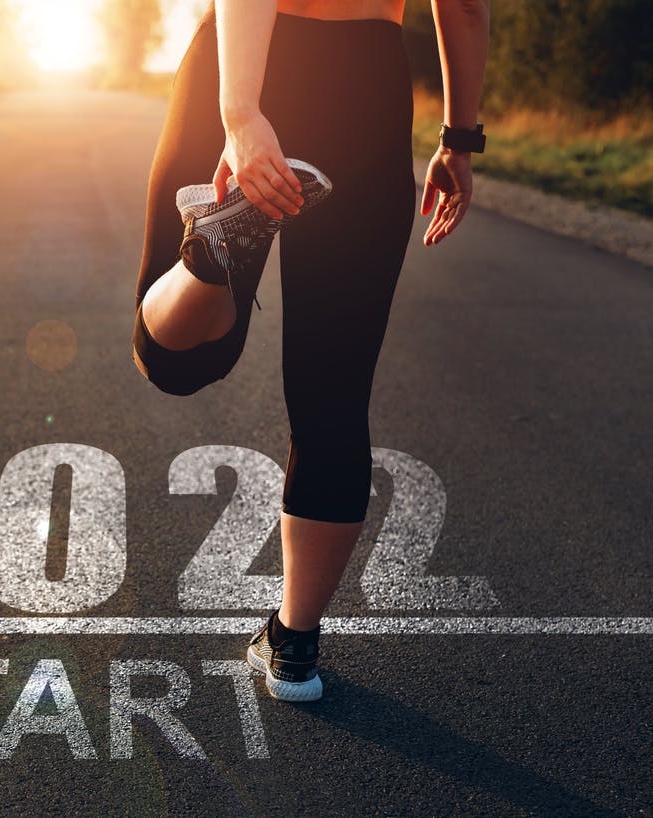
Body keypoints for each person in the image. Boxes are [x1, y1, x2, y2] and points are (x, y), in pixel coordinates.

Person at [130, 0, 490, 701]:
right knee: (333, 393)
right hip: (367, 83)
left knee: (174, 359)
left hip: (243, 58)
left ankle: (208, 260)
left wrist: (239, 113)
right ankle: (294, 649)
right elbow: (467, 6)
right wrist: (459, 142)